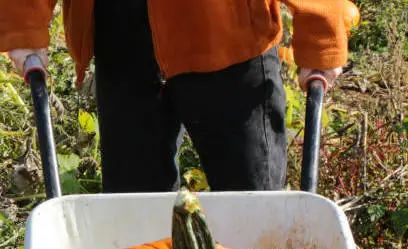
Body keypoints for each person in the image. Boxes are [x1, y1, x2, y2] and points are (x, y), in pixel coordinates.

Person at [0, 1, 346, 193]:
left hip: (226, 34)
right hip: (122, 37)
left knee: (252, 201)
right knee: (136, 210)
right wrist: (23, 16)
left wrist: (322, 20)